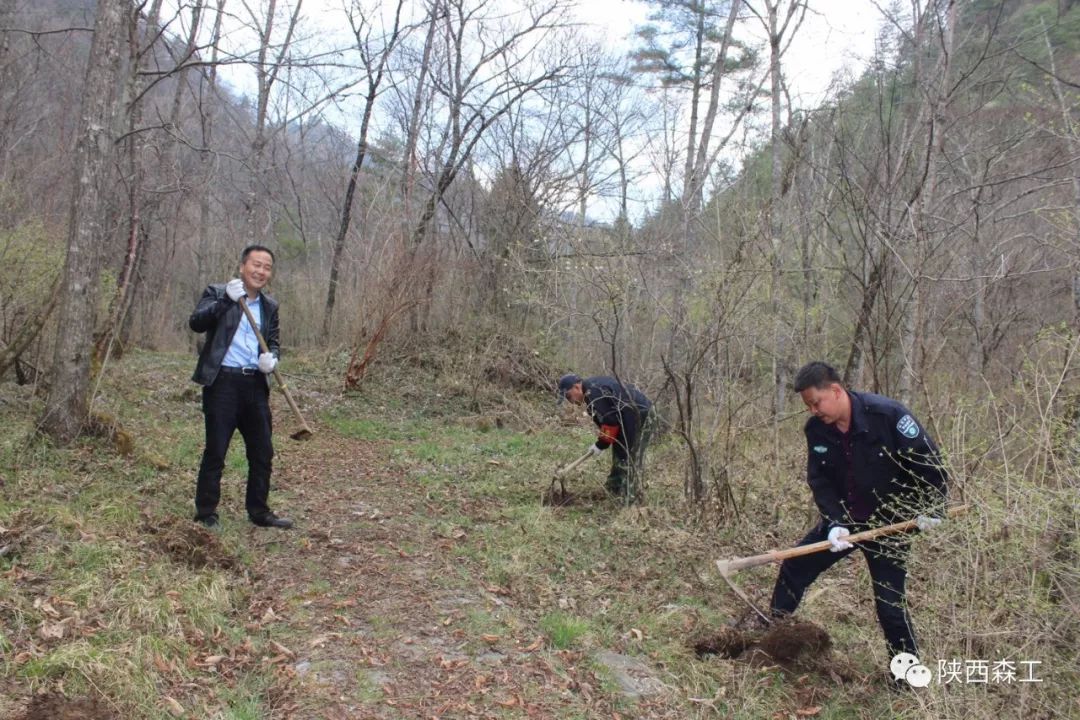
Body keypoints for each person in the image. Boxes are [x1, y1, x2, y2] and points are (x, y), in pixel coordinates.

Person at [769, 361, 947, 667]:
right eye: (808, 406)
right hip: (846, 522)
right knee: (795, 566)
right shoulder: (817, 430)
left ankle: (905, 678)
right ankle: (769, 638)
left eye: (816, 402)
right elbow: (820, 481)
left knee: (890, 606)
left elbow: (929, 464)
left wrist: (933, 507)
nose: (813, 410)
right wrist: (835, 523)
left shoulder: (888, 416)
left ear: (835, 391)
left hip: (890, 525)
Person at [189, 245, 292, 529]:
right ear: (243, 266)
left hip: (255, 385)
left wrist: (272, 358)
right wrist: (225, 300)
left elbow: (272, 340)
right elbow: (196, 323)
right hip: (222, 383)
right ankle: (206, 512)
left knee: (262, 451)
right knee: (216, 450)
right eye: (256, 264)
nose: (261, 271)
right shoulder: (217, 291)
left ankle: (259, 511)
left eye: (267, 267)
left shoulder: (270, 306)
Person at [557, 373, 654, 502]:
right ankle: (615, 486)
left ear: (576, 387)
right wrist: (604, 441)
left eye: (569, 396)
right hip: (627, 416)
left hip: (641, 414)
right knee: (620, 448)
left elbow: (611, 421)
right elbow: (607, 422)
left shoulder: (594, 392)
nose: (571, 401)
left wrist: (601, 444)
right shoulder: (590, 394)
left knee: (629, 454)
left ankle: (630, 497)